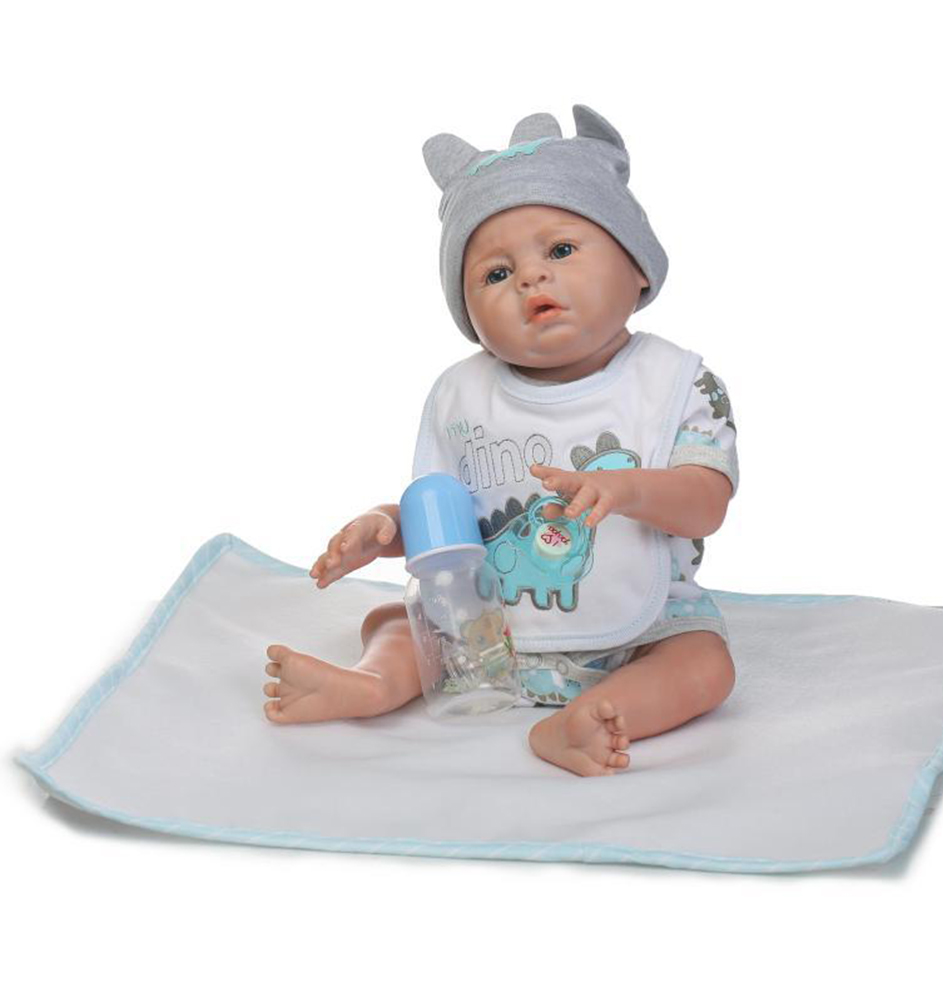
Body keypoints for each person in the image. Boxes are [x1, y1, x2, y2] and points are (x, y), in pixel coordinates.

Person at [263, 105, 738, 778]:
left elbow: (705, 504)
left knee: (704, 663)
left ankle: (586, 718)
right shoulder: (466, 398)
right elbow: (448, 527)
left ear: (638, 266)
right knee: (398, 625)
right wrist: (387, 527)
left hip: (642, 632)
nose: (529, 278)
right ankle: (371, 684)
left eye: (561, 250)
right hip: (485, 640)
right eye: (494, 273)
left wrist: (627, 489)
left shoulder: (676, 383)